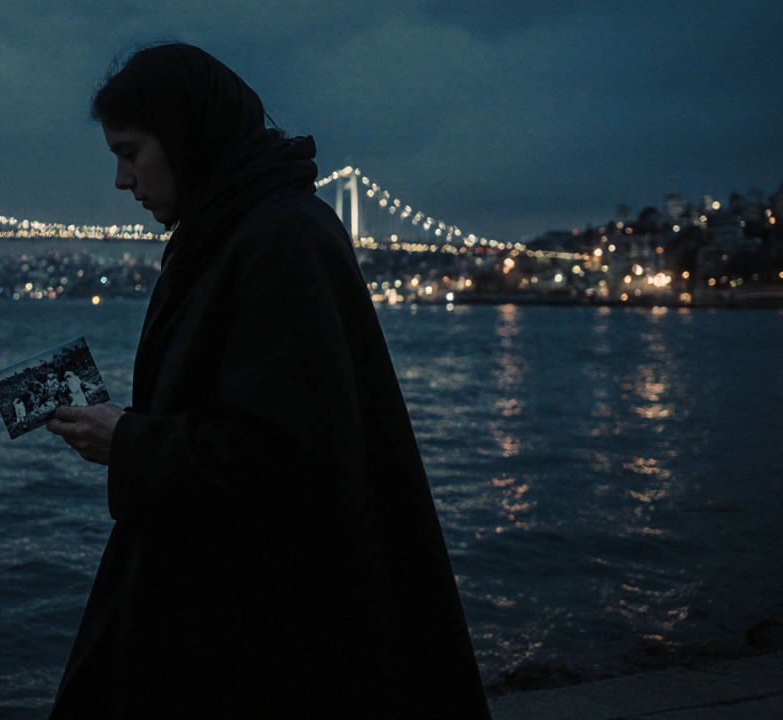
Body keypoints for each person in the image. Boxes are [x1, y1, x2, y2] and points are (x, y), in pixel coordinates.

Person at [45, 42, 490, 719]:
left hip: (267, 640)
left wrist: (131, 442)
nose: (121, 180)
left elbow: (286, 458)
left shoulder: (275, 241)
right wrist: (130, 429)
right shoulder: (241, 228)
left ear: (186, 135)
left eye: (130, 152)